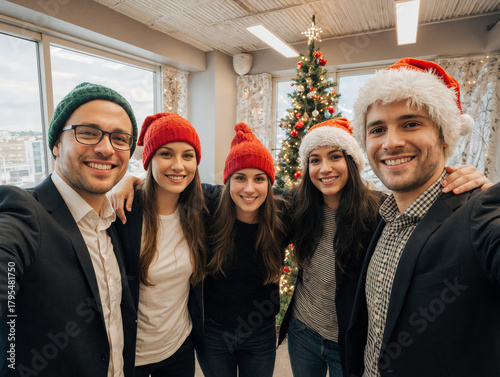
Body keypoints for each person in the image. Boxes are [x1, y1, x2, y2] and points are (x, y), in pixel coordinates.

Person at [345, 57, 500, 377]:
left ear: (445, 136)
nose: (391, 142)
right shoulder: (383, 217)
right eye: (377, 129)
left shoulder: (480, 213)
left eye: (411, 123)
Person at [0, 82, 138, 377]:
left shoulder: (112, 220)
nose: (105, 148)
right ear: (56, 143)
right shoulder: (25, 214)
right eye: (87, 133)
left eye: (120, 138)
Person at [113, 112, 207, 377]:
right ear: (149, 159)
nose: (179, 165)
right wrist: (125, 180)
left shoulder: (201, 208)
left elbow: (244, 192)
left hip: (179, 347)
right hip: (133, 354)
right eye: (166, 154)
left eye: (187, 156)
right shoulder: (124, 212)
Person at [196, 123, 290, 377]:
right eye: (240, 178)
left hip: (260, 333)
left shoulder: (284, 211)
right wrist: (131, 180)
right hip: (213, 332)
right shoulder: (210, 204)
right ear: (228, 181)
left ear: (270, 183)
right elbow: (166, 187)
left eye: (259, 178)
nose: (249, 189)